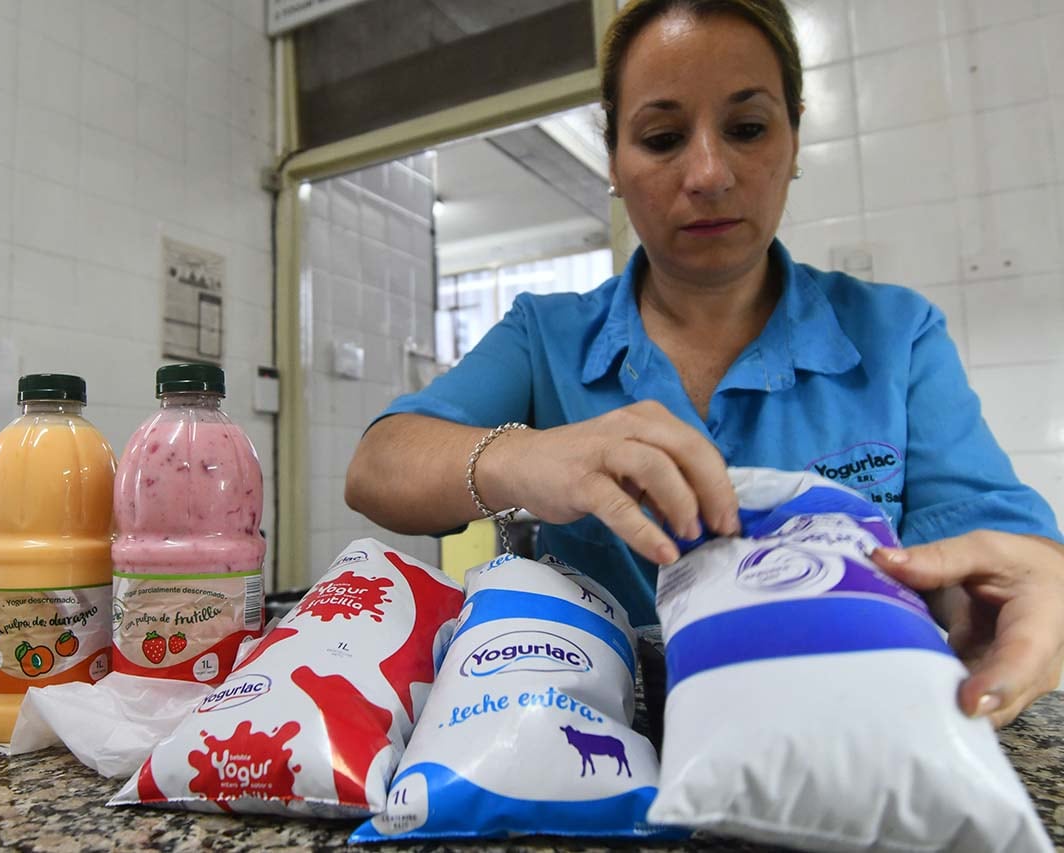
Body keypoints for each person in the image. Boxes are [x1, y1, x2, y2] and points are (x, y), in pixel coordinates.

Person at [344, 0, 1064, 728]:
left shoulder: (895, 336)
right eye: (661, 137)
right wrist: (526, 457)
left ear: (794, 137)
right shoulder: (547, 334)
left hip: (832, 730)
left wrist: (1009, 591)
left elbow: (983, 547)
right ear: (615, 164)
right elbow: (378, 467)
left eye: (747, 128)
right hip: (593, 744)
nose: (710, 172)